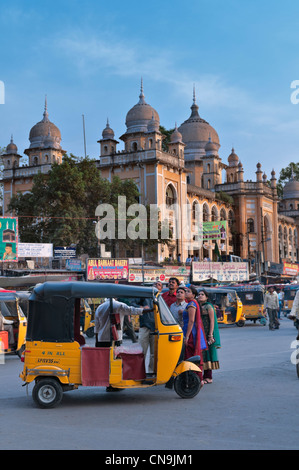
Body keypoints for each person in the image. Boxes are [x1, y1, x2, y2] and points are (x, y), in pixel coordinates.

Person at [182, 285, 207, 385]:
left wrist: (187, 336)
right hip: (190, 331)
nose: (186, 293)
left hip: (191, 333)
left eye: (188, 292)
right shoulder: (191, 303)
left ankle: (197, 379)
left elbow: (191, 321)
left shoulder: (192, 304)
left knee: (190, 356)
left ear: (193, 295)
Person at [197, 288, 221, 384]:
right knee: (201, 354)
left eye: (202, 294)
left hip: (207, 333)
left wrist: (210, 334)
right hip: (200, 332)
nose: (200, 296)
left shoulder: (209, 307)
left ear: (206, 297)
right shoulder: (197, 306)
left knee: (208, 353)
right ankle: (202, 375)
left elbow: (212, 321)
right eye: (199, 294)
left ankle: (208, 376)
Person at [138, 281, 162, 374]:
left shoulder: (161, 298)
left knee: (154, 353)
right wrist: (142, 307)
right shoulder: (145, 296)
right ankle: (139, 372)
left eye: (159, 284)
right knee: (141, 351)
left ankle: (152, 372)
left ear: (161, 288)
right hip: (145, 326)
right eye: (155, 284)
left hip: (157, 328)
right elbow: (133, 305)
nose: (156, 285)